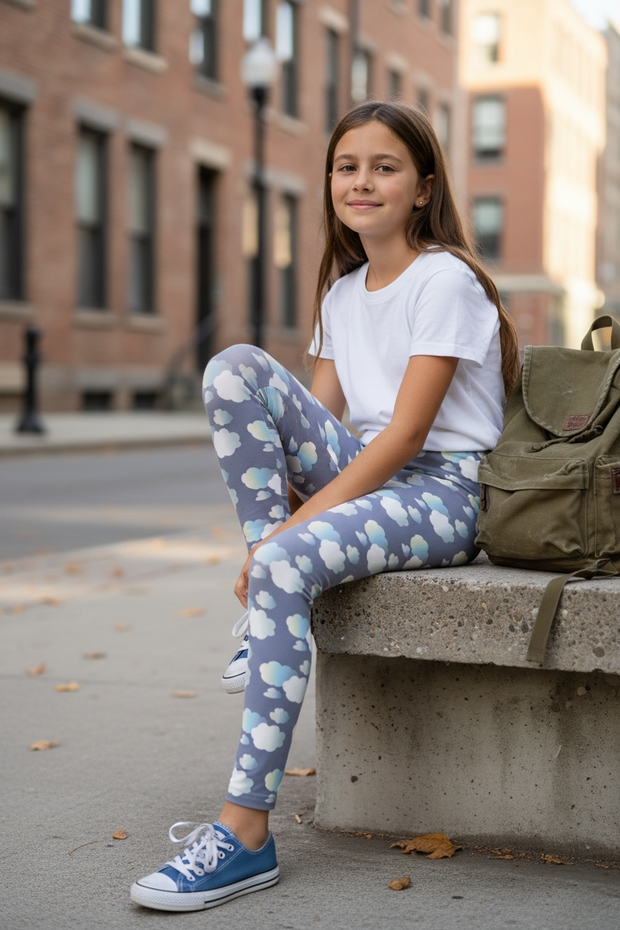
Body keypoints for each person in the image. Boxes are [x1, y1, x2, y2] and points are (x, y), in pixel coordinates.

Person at [130, 100, 519, 912]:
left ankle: (243, 836)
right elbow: (318, 425)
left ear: (423, 188)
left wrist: (287, 538)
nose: (363, 181)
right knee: (234, 366)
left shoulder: (444, 279)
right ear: (331, 182)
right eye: (348, 167)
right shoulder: (343, 294)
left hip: (448, 491)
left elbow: (408, 436)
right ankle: (267, 600)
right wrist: (285, 529)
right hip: (378, 477)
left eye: (385, 167)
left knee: (279, 562)